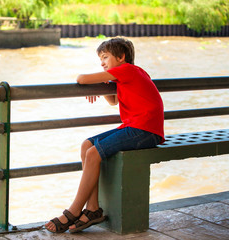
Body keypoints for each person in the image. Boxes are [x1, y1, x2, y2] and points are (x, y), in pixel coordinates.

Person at [44, 37, 165, 234]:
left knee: (93, 154)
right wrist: (103, 80)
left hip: (145, 131)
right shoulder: (125, 75)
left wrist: (98, 78)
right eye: (100, 59)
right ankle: (92, 208)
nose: (101, 63)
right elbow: (113, 101)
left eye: (105, 57)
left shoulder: (128, 70)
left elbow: (81, 79)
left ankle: (74, 210)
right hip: (135, 127)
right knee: (86, 146)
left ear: (121, 57)